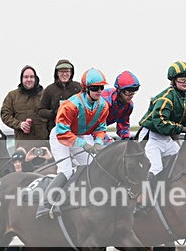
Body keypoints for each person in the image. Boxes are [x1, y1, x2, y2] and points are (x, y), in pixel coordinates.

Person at [37, 68, 109, 218]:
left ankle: (78, 200)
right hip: (60, 136)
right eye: (95, 88)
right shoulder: (71, 105)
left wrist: (98, 141)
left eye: (101, 87)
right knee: (66, 171)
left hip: (80, 136)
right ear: (86, 88)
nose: (99, 91)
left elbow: (101, 127)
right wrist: (84, 144)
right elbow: (63, 132)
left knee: (90, 167)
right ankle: (45, 205)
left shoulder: (103, 106)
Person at [139, 61, 186, 176]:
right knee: (156, 168)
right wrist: (182, 129)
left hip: (166, 138)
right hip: (151, 137)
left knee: (180, 164)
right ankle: (145, 193)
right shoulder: (166, 98)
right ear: (173, 80)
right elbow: (160, 122)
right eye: (182, 79)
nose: (185, 82)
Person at [0, 65, 45, 147]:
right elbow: (5, 114)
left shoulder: (45, 94)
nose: (29, 79)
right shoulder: (12, 96)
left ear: (36, 78)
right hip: (23, 146)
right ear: (21, 79)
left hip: (43, 145)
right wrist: (19, 124)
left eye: (32, 77)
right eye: (26, 77)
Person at [36, 59, 82, 135]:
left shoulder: (78, 87)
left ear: (71, 72)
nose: (64, 74)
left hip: (76, 131)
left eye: (67, 71)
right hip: (57, 131)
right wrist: (55, 112)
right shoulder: (49, 89)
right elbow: (40, 111)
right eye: (61, 71)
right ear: (57, 73)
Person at [101, 71, 139, 141]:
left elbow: (123, 125)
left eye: (134, 91)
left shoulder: (129, 105)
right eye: (128, 92)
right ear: (118, 90)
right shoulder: (105, 102)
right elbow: (95, 127)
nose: (131, 95)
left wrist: (126, 139)